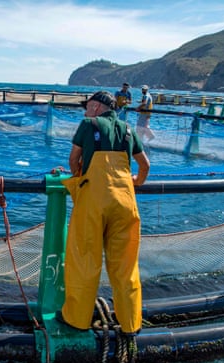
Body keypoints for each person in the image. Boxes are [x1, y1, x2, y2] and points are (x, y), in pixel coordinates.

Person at [57, 91, 150, 340]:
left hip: (93, 202)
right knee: (126, 264)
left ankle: (77, 319)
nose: (85, 111)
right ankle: (131, 322)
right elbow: (145, 166)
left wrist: (78, 175)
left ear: (96, 107)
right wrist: (136, 182)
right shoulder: (128, 130)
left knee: (85, 260)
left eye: (87, 106)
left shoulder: (88, 124)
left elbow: (74, 159)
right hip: (125, 203)